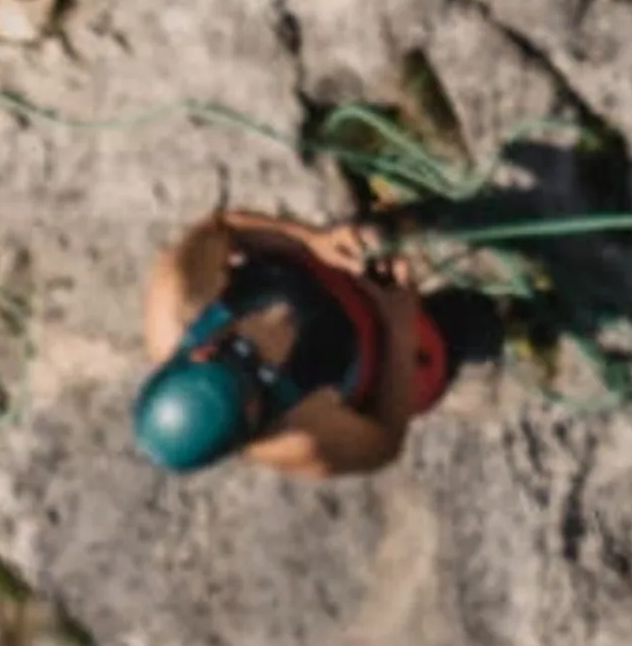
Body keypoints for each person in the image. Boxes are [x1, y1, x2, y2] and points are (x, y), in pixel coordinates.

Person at [133, 203, 502, 478]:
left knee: (372, 229)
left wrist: (313, 241)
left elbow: (225, 226)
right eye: (262, 375)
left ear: (200, 351)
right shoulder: (301, 438)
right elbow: (385, 440)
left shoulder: (178, 296)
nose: (272, 338)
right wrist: (399, 326)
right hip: (380, 343)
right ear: (253, 419)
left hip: (316, 269)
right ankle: (501, 319)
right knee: (462, 330)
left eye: (241, 348)